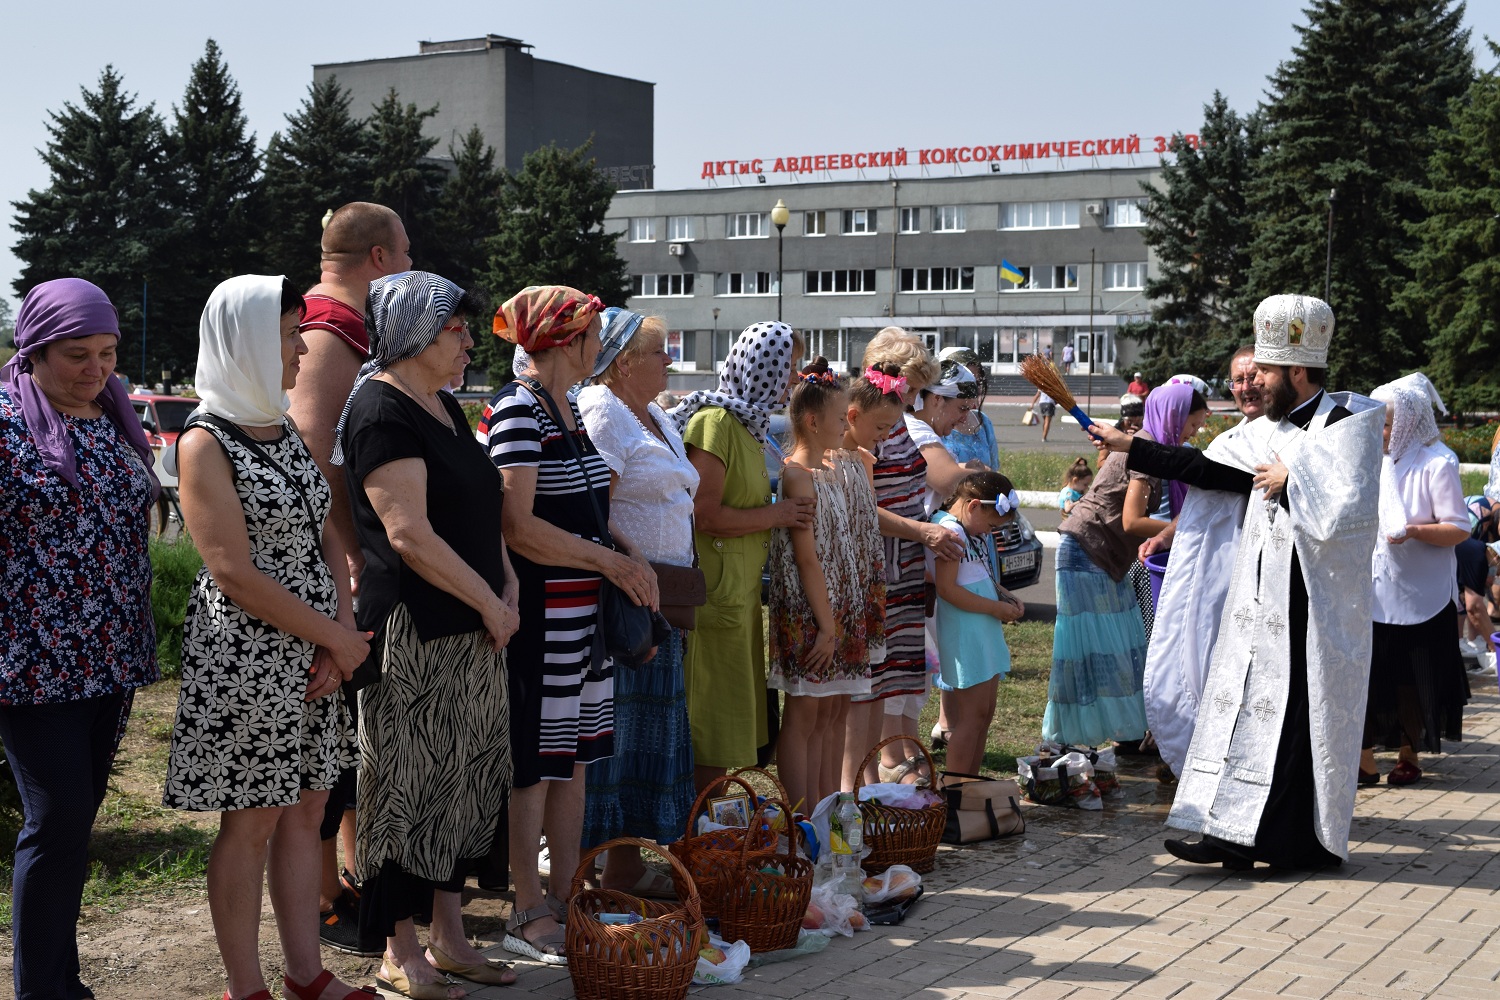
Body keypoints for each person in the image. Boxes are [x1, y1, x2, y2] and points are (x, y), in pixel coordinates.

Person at [1093, 294, 1384, 871]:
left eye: (1266, 371)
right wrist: (1132, 447)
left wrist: (1292, 480)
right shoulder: (1263, 432)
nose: (1256, 382)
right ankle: (1232, 834)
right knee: (1247, 712)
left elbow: (1353, 515)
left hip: (1312, 609)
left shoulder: (1347, 424)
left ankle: (1287, 843)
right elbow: (1210, 471)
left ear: (1296, 371)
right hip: (1259, 602)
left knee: (1294, 724)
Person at [164, 276, 375, 1000]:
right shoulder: (204, 441)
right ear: (246, 342)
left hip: (316, 652)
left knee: (309, 810)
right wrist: (334, 640)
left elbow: (325, 534)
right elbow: (232, 571)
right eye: (288, 335)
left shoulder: (280, 427)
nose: (301, 350)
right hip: (249, 658)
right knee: (251, 821)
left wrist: (338, 632)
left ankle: (306, 975)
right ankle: (246, 986)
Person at [336, 271, 518, 998]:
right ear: (415, 333)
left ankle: (449, 936)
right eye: (456, 328)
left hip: (473, 625)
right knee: (403, 792)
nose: (469, 341)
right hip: (415, 631)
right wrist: (492, 604)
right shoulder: (380, 408)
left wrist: (505, 583)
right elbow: (408, 534)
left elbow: (481, 506)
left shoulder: (441, 403)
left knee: (463, 787)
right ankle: (398, 948)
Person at [484, 285, 656, 966]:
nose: (600, 344)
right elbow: (517, 525)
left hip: (582, 621)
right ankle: (527, 908)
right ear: (565, 339)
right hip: (543, 617)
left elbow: (585, 503)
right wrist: (608, 562)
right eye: (591, 332)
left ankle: (565, 894)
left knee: (575, 762)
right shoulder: (518, 409)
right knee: (535, 766)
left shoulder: (567, 408)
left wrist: (626, 552)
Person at [0, 278, 161, 1000]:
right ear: (33, 351)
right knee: (57, 818)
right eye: (76, 355)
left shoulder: (113, 413)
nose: (95, 369)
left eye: (107, 353)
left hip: (111, 654)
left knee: (75, 823)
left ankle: (63, 982)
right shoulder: (5, 423)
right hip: (32, 662)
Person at [288, 202, 412, 956]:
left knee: (349, 738)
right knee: (330, 741)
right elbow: (314, 450)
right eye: (405, 250)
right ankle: (324, 899)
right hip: (329, 567)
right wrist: (350, 553)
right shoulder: (331, 329)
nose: (410, 263)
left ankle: (348, 877)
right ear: (378, 257)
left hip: (338, 563)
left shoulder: (337, 322)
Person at [576, 309, 698, 898]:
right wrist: (631, 563)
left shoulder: (655, 415)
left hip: (660, 600)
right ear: (624, 362)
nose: (669, 360)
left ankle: (623, 870)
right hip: (623, 602)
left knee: (645, 738)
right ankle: (587, 873)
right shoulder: (602, 411)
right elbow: (593, 507)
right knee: (616, 740)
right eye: (658, 351)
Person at [670, 322, 812, 791]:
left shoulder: (747, 424)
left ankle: (713, 819)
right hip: (715, 598)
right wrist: (777, 514)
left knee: (728, 721)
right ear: (762, 367)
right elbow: (703, 513)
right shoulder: (715, 423)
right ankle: (702, 821)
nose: (794, 378)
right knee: (710, 723)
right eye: (788, 366)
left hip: (738, 596)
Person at [1046, 383, 1206, 748]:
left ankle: (1126, 732)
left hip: (1102, 554)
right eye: (1192, 424)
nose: (1193, 433)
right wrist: (1186, 527)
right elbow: (1132, 522)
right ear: (1174, 417)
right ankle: (1071, 740)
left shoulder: (1146, 446)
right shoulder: (1143, 453)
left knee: (1122, 647)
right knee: (1092, 650)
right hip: (1086, 551)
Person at [847, 330, 963, 787]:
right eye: (911, 388)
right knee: (870, 682)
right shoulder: (868, 427)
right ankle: (863, 781)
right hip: (877, 567)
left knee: (892, 678)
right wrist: (921, 531)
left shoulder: (895, 422)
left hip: (904, 567)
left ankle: (881, 775)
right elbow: (860, 507)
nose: (913, 399)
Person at [769, 359, 883, 808]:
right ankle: (802, 817)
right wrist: (827, 626)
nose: (845, 426)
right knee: (806, 714)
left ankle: (829, 806)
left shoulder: (833, 467)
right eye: (839, 418)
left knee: (833, 710)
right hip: (813, 612)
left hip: (840, 609)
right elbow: (807, 559)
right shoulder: (797, 476)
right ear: (813, 422)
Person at [1359, 375, 1469, 786]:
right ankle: (1364, 757)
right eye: (1375, 424)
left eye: (1386, 425)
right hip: (1373, 590)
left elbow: (1459, 528)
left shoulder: (1435, 464)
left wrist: (1414, 531)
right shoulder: (1371, 462)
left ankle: (1409, 752)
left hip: (1420, 592)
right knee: (1370, 674)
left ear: (1406, 422)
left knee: (1411, 678)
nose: (1380, 433)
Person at [877, 356, 979, 783]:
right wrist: (981, 476)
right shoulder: (915, 429)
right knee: (896, 663)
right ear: (935, 399)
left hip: (911, 557)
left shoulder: (912, 427)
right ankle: (890, 756)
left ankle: (904, 746)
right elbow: (949, 481)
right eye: (960, 408)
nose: (964, 419)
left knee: (913, 665)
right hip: (897, 558)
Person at [930, 473, 1025, 776]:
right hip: (966, 634)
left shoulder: (970, 530)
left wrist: (1007, 596)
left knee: (983, 715)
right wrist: (996, 608)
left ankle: (970, 784)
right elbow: (947, 589)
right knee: (970, 718)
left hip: (982, 628)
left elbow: (979, 575)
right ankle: (957, 788)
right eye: (991, 526)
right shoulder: (951, 532)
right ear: (973, 506)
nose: (990, 532)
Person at [937, 346, 998, 470]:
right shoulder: (931, 425)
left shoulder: (982, 421)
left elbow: (994, 469)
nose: (972, 390)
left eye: (976, 382)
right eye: (965, 383)